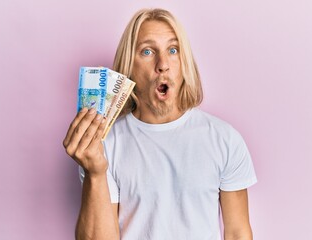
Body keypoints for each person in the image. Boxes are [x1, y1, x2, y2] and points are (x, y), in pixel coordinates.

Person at [63, 8, 257, 240]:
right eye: (147, 51)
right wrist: (95, 173)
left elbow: (237, 233)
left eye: (173, 50)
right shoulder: (104, 145)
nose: (163, 64)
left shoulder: (225, 140)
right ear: (129, 67)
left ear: (183, 63)